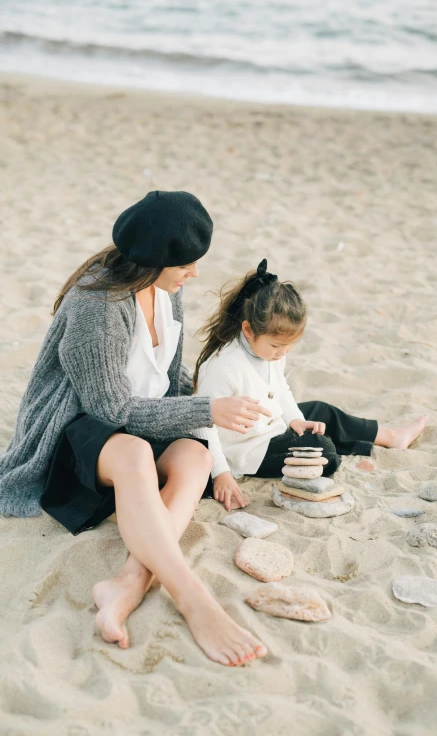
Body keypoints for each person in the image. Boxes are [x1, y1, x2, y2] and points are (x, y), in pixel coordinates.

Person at [0, 191, 268, 667]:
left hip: (134, 422)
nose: (194, 274)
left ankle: (128, 583)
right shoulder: (97, 305)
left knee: (196, 458)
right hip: (75, 431)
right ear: (154, 259)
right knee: (135, 454)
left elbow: (170, 377)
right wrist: (207, 409)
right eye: (186, 264)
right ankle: (194, 599)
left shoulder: (168, 291)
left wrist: (220, 400)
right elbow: (110, 408)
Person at [192, 260, 428, 510]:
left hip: (275, 426)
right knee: (323, 452)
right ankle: (356, 447)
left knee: (321, 411)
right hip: (248, 450)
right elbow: (202, 423)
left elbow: (281, 390)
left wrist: (295, 419)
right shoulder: (223, 365)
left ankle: (390, 437)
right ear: (248, 330)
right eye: (276, 346)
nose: (282, 353)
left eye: (288, 347)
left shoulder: (270, 353)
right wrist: (221, 473)